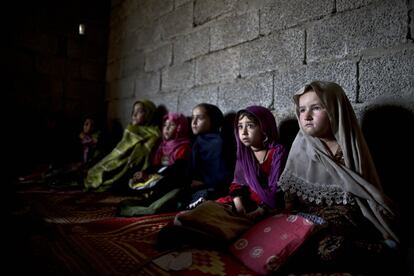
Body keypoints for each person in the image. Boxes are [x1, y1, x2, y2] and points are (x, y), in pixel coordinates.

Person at [277, 80, 401, 274]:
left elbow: (364, 191)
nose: (306, 116)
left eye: (316, 108)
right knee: (285, 246)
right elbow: (290, 196)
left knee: (328, 250)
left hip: (343, 219)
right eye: (301, 110)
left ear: (336, 110)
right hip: (306, 218)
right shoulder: (300, 146)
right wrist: (288, 217)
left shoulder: (351, 147)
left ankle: (382, 252)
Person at [157, 105, 287, 249]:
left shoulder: (276, 153)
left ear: (264, 127)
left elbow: (276, 190)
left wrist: (259, 211)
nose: (243, 132)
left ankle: (206, 236)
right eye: (240, 126)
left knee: (236, 224)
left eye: (250, 126)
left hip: (266, 207)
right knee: (204, 210)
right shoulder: (244, 153)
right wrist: (238, 203)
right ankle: (194, 230)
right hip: (241, 203)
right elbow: (237, 184)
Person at [118, 112, 192, 216]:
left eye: (171, 125)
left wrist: (157, 176)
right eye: (165, 125)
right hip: (157, 176)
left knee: (166, 187)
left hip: (170, 178)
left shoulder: (184, 146)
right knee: (131, 178)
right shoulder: (162, 146)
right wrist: (144, 173)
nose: (166, 128)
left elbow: (178, 168)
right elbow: (155, 165)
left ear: (180, 127)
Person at [84, 99, 161, 192]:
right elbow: (118, 150)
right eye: (133, 111)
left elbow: (140, 156)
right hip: (117, 158)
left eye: (140, 111)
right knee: (94, 171)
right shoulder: (131, 129)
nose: (134, 115)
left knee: (106, 177)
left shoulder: (153, 135)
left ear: (149, 114)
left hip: (128, 165)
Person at [185, 103, 232, 208]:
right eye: (193, 117)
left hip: (214, 187)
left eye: (200, 118)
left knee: (207, 196)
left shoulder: (219, 143)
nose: (194, 122)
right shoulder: (197, 141)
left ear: (213, 120)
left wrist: (203, 183)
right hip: (194, 186)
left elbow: (224, 176)